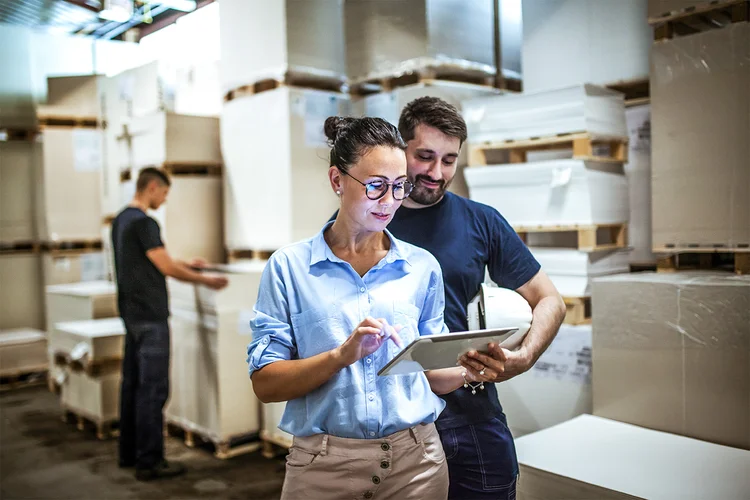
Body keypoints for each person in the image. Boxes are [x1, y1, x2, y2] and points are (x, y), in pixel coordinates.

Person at [246, 117, 494, 500]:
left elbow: (430, 375)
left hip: (418, 464)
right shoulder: (289, 269)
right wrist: (340, 356)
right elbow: (265, 383)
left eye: (399, 187)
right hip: (323, 468)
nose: (389, 201)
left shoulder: (422, 267)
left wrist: (470, 368)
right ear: (337, 180)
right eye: (376, 186)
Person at [385, 97, 567, 499]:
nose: (437, 173)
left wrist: (524, 357)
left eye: (449, 160)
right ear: (401, 150)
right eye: (425, 157)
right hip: (391, 421)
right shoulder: (367, 221)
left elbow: (550, 300)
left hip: (470, 415)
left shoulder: (480, 220)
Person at [112, 167, 228, 481]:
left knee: (132, 386)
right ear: (152, 187)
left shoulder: (122, 220)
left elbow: (149, 260)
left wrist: (187, 263)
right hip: (151, 318)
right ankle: (150, 461)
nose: (164, 199)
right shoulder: (145, 222)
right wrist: (204, 279)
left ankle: (129, 453)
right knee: (154, 389)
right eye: (164, 193)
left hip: (131, 315)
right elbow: (164, 266)